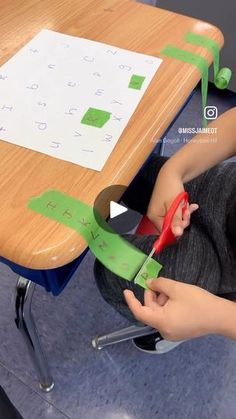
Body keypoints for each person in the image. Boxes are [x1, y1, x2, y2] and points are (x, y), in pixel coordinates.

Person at [94, 107, 236, 353]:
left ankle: (162, 329)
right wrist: (173, 171)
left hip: (227, 266)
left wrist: (218, 315)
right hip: (226, 191)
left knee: (111, 274)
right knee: (138, 175)